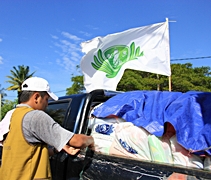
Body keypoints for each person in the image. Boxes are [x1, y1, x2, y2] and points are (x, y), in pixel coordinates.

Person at [0, 77, 94, 180]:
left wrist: (56, 148)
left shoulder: (11, 115)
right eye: (46, 99)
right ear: (36, 97)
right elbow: (78, 141)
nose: (47, 104)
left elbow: (26, 151)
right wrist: (92, 139)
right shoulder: (36, 116)